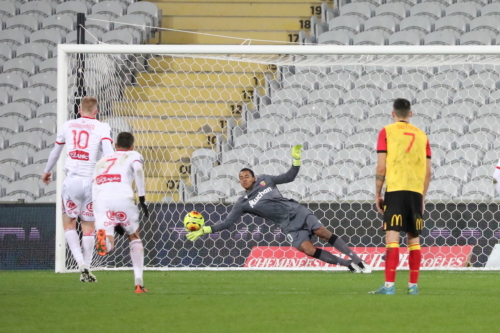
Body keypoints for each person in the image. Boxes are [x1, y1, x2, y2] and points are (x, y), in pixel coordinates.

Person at [186, 145, 371, 273]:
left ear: (254, 177)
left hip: (296, 211)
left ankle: (357, 259)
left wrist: (296, 161)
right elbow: (227, 223)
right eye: (240, 178)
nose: (243, 179)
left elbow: (289, 176)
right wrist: (204, 230)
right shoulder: (242, 202)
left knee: (322, 231)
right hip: (287, 226)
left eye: (246, 176)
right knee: (308, 249)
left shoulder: (266, 180)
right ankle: (348, 264)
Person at [42, 96, 114, 282]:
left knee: (69, 223)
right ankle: (88, 267)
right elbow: (108, 153)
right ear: (96, 112)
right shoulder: (102, 127)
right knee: (88, 226)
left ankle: (80, 263)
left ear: (79, 110)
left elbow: (55, 152)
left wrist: (47, 171)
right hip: (92, 182)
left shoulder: (68, 125)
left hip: (72, 181)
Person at [370, 98, 432, 295]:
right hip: (415, 191)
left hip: (396, 189)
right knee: (414, 239)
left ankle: (389, 286)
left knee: (392, 236)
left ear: (393, 113)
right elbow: (428, 172)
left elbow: (381, 166)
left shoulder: (386, 131)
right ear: (410, 114)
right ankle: (413, 286)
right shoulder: (423, 136)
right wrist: (422, 197)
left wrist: (378, 193)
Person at [92, 132, 149, 293]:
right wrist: (142, 197)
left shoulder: (101, 161)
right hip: (122, 196)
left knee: (108, 239)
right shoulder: (133, 154)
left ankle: (105, 242)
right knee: (134, 236)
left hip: (101, 199)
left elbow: (94, 183)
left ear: (115, 146)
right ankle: (139, 283)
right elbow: (138, 170)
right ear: (132, 146)